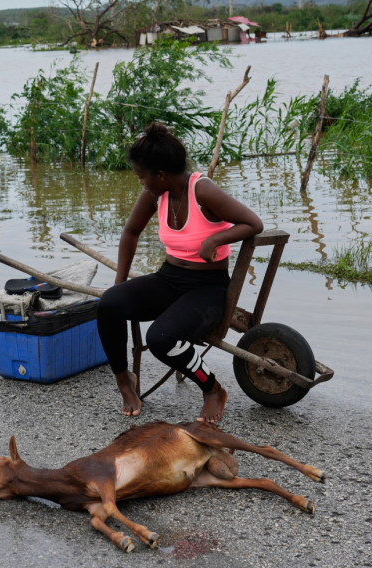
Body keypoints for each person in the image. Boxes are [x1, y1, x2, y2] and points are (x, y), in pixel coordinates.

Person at [97, 123, 263, 422]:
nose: (141, 182)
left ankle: (213, 390)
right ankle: (125, 382)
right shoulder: (155, 194)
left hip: (208, 288)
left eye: (142, 176)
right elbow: (131, 232)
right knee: (109, 304)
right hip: (169, 278)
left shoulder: (202, 190)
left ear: (160, 174)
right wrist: (119, 285)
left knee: (160, 338)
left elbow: (253, 224)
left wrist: (215, 240)